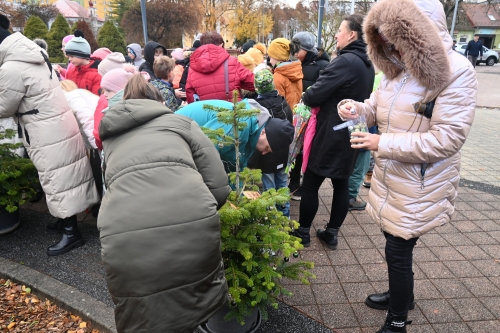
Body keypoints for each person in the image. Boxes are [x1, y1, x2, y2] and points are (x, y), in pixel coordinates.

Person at [338, 0, 477, 331]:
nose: (390, 45)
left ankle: (398, 319)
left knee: (398, 248)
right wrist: (356, 109)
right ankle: (402, 296)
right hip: (395, 175)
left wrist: (381, 143)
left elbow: (447, 139)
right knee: (394, 242)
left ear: (416, 33)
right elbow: (377, 107)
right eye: (384, 37)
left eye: (396, 36)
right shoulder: (397, 67)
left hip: (421, 180)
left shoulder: (456, 70)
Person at [98, 74, 230, 333]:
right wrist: (196, 211)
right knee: (191, 306)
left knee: (147, 313)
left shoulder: (110, 139)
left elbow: (109, 186)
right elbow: (218, 186)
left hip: (123, 235)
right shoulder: (181, 123)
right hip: (191, 224)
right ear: (159, 101)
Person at [0, 14, 99, 256]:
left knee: (57, 177)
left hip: (43, 128)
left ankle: (71, 232)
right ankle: (64, 220)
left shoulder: (11, 68)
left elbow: (4, 106)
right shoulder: (35, 57)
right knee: (68, 172)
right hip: (57, 122)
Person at [292, 14, 375, 251]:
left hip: (330, 132)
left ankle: (303, 233)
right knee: (342, 184)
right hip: (352, 131)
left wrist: (307, 96)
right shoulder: (367, 63)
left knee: (309, 184)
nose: (336, 34)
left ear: (352, 35)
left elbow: (313, 95)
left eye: (340, 30)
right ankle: (332, 233)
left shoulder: (345, 61)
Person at [176, 99, 294, 173]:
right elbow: (204, 154)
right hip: (175, 136)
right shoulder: (238, 124)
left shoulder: (253, 130)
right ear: (264, 132)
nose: (264, 153)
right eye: (267, 148)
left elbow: (235, 167)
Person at [288, 31, 331, 200]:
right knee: (297, 149)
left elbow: (322, 92)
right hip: (300, 114)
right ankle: (294, 182)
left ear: (307, 49)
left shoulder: (322, 65)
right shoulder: (301, 63)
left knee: (308, 150)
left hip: (314, 115)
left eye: (298, 50)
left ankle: (305, 186)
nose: (295, 54)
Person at [250, 69, 293, 217]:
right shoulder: (283, 103)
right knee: (282, 184)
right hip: (282, 152)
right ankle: (285, 215)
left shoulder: (256, 107)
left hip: (266, 154)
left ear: (257, 87)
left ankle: (272, 220)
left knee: (269, 187)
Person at [186, 31, 255, 103]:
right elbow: (253, 83)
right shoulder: (232, 62)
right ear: (221, 45)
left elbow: (190, 96)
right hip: (232, 110)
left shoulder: (193, 67)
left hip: (206, 112)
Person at [59, 80, 98, 150]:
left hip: (98, 135)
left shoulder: (69, 96)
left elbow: (86, 118)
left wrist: (96, 144)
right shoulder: (82, 93)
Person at [268, 38, 303, 111]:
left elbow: (278, 106)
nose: (270, 61)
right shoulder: (297, 71)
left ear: (279, 57)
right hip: (296, 118)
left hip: (284, 119)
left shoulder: (277, 77)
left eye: (271, 57)